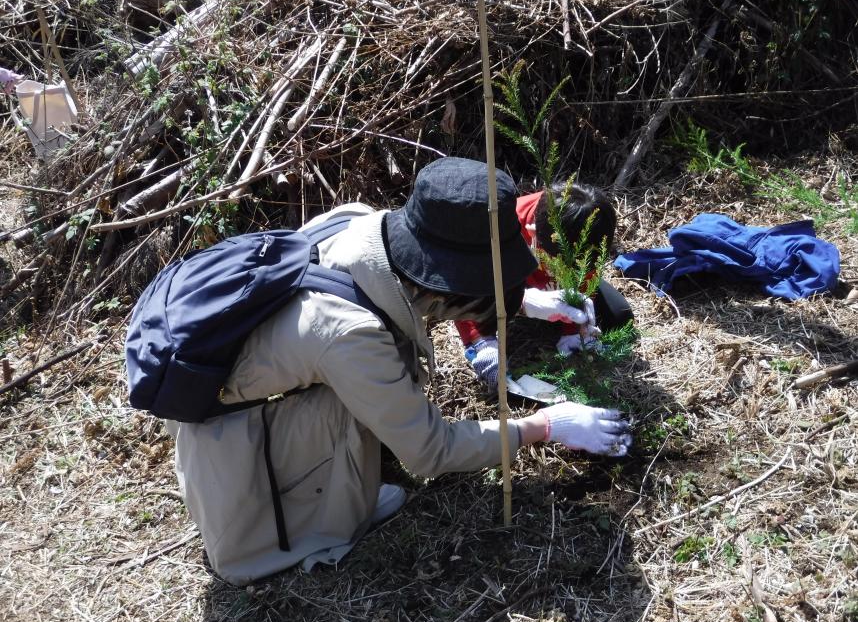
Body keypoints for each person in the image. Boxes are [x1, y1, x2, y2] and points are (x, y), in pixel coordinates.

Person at [164, 158, 633, 585]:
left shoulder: (363, 223)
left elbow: (428, 295)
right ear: (450, 289)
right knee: (361, 400)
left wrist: (526, 303)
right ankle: (319, 511)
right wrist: (546, 425)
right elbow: (431, 450)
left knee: (380, 380)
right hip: (234, 449)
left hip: (261, 389)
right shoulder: (349, 335)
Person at [456, 182, 634, 390]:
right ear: (532, 233)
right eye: (558, 263)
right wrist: (480, 340)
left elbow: (586, 275)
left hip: (549, 279)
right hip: (509, 274)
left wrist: (573, 330)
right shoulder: (502, 224)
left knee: (619, 316)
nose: (565, 271)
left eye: (577, 264)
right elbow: (464, 285)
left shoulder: (589, 225)